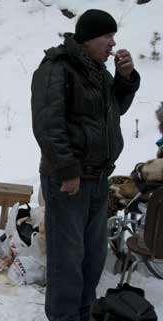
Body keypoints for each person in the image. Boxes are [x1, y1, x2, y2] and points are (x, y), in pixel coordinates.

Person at [31, 9, 140, 321]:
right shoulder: (58, 68)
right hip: (70, 180)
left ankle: (82, 314)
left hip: (98, 179)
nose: (112, 42)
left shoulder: (98, 71)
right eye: (107, 36)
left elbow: (113, 110)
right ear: (90, 38)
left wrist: (125, 79)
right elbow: (48, 124)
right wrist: (67, 171)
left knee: (93, 257)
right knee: (67, 260)